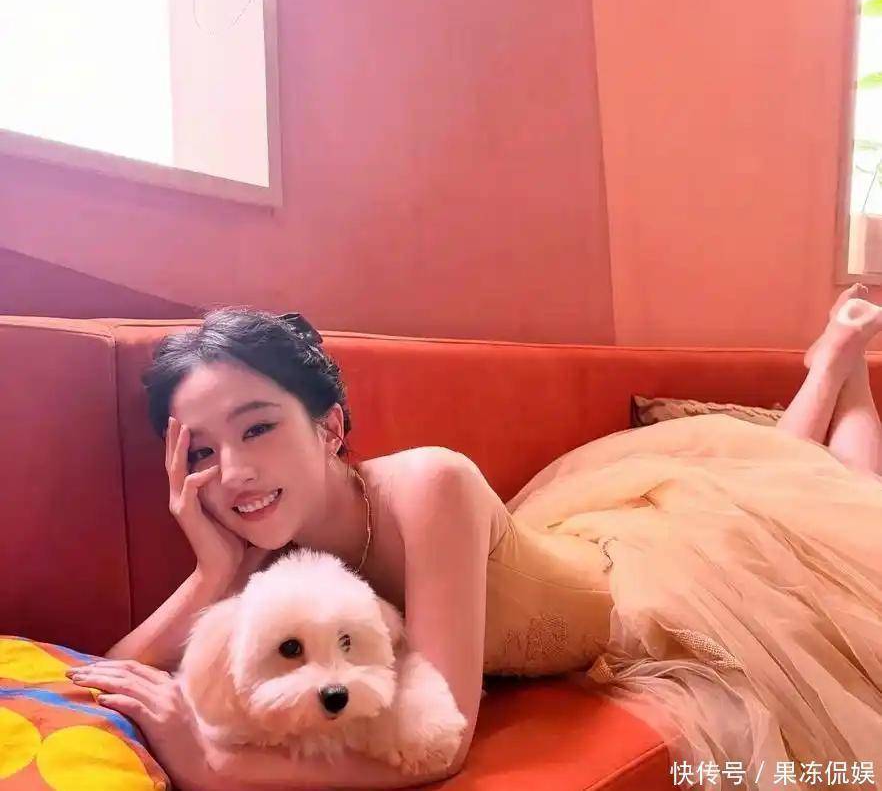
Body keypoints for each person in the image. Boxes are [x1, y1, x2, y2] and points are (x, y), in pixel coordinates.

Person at [68, 285, 882, 791]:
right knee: (777, 478)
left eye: (258, 428)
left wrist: (216, 766)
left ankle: (839, 359)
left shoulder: (431, 485)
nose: (235, 471)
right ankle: (837, 366)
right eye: (202, 453)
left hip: (645, 591)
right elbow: (94, 676)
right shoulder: (265, 549)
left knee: (843, 500)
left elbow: (445, 743)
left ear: (330, 427)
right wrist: (212, 571)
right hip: (575, 537)